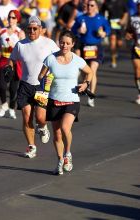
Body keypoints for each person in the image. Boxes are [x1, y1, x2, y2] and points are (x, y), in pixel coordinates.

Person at [38, 30, 94, 175]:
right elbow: (40, 76)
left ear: (73, 44)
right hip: (54, 100)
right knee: (56, 135)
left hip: (72, 100)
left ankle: (68, 154)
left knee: (64, 128)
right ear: (59, 42)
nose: (64, 45)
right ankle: (60, 160)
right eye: (62, 42)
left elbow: (90, 72)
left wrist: (85, 84)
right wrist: (45, 79)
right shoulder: (50, 59)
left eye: (68, 43)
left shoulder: (78, 60)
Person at [9, 16, 59, 158]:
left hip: (42, 85)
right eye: (29, 29)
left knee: (40, 117)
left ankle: (43, 127)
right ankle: (31, 146)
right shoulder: (21, 44)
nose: (31, 31)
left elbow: (58, 59)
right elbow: (12, 59)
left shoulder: (49, 43)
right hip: (25, 85)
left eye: (35, 28)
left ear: (41, 30)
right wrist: (9, 68)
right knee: (26, 117)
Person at [72, 0, 111, 107]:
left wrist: (103, 33)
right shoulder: (81, 18)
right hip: (84, 47)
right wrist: (79, 31)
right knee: (85, 72)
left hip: (96, 47)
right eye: (88, 5)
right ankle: (85, 86)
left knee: (92, 70)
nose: (89, 7)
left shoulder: (101, 18)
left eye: (91, 5)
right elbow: (73, 30)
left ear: (95, 7)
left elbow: (108, 29)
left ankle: (91, 95)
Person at [0, 10, 25, 119]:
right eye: (9, 17)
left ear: (17, 19)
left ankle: (12, 107)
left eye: (13, 18)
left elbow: (24, 49)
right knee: (2, 86)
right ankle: (4, 105)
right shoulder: (2, 31)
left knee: (13, 89)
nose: (10, 20)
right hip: (4, 61)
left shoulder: (20, 32)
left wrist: (15, 46)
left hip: (15, 62)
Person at [101, 0, 128, 68]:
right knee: (112, 41)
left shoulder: (121, 2)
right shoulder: (107, 2)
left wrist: (123, 20)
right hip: (110, 24)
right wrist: (103, 23)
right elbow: (101, 13)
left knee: (120, 43)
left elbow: (126, 12)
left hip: (119, 24)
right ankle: (113, 61)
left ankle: (115, 51)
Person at [125, 1, 140, 104]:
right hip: (137, 47)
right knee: (137, 69)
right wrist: (128, 35)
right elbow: (128, 31)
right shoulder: (133, 17)